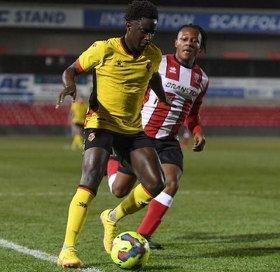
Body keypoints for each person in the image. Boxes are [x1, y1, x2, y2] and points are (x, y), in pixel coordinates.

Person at [56, 0, 173, 268]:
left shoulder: (153, 54)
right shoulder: (104, 49)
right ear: (129, 26)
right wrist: (70, 85)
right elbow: (71, 69)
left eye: (152, 31)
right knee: (91, 176)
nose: (148, 37)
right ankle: (68, 249)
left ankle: (111, 217)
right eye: (144, 31)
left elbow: (152, 73)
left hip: (132, 128)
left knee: (157, 184)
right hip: (101, 122)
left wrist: (163, 96)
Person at [106, 24, 209, 249]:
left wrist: (197, 131)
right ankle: (113, 157)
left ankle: (143, 236)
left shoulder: (202, 79)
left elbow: (192, 113)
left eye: (194, 41)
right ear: (176, 42)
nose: (189, 43)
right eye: (184, 39)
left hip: (168, 140)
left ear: (200, 47)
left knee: (170, 182)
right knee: (119, 190)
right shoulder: (158, 62)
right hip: (140, 135)